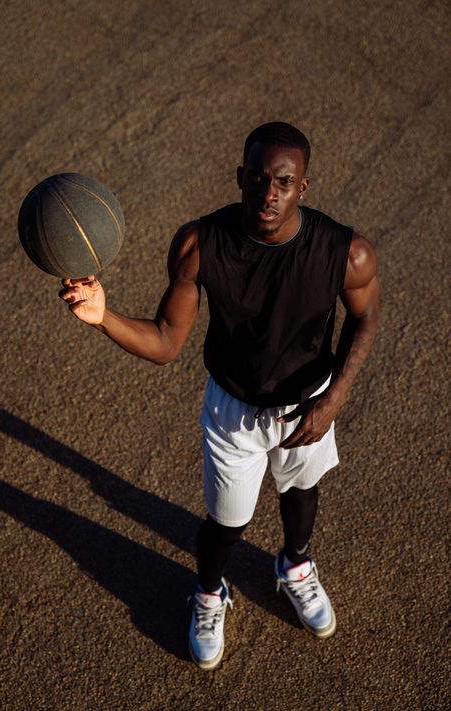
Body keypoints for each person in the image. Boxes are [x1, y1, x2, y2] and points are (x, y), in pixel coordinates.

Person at [59, 122, 379, 671]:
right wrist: (102, 317)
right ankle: (210, 592)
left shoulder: (346, 253)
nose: (268, 192)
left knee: (302, 491)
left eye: (283, 181)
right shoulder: (198, 245)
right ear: (240, 178)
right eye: (257, 178)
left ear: (303, 186)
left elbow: (365, 317)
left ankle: (294, 564)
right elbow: (164, 342)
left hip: (311, 401)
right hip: (234, 410)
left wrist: (335, 398)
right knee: (227, 523)